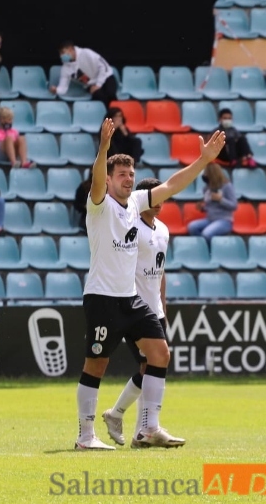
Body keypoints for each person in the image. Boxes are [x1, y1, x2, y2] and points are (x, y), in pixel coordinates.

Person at [73, 119, 225, 450]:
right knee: (96, 364)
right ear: (110, 180)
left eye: (131, 174)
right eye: (121, 175)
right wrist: (103, 149)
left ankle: (148, 428)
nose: (128, 179)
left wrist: (203, 162)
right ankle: (85, 436)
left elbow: (171, 185)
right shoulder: (99, 206)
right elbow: (97, 180)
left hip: (130, 299)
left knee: (160, 353)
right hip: (102, 297)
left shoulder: (137, 204)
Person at [101, 176, 169, 448]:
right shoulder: (132, 228)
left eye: (162, 196)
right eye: (153, 197)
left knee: (154, 365)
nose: (160, 202)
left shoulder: (163, 230)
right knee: (150, 364)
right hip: (135, 308)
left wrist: (163, 304)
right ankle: (138, 426)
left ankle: (129, 422)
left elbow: (160, 269)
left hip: (156, 310)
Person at [50, 41, 117, 108]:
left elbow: (103, 65)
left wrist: (98, 84)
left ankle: (114, 117)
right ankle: (109, 118)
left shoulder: (86, 53)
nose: (61, 56)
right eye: (60, 53)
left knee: (111, 95)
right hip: (91, 85)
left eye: (63, 52)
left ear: (71, 49)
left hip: (106, 77)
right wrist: (56, 90)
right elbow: (63, 87)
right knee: (101, 97)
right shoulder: (65, 69)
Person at [187, 163, 237, 241]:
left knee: (206, 234)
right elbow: (210, 207)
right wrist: (202, 208)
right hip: (210, 219)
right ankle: (203, 248)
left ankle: (211, 251)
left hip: (224, 220)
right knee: (192, 227)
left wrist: (220, 200)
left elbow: (234, 206)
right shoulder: (206, 188)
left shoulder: (227, 186)